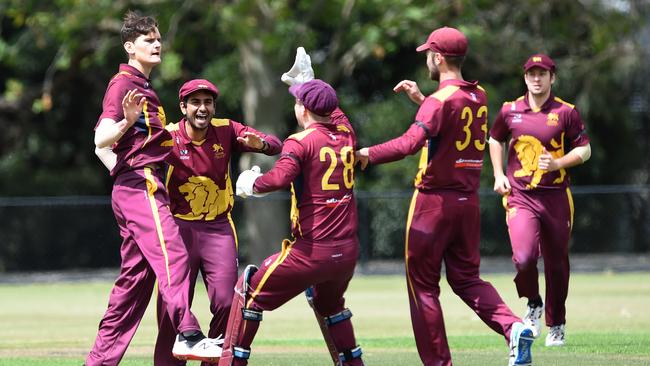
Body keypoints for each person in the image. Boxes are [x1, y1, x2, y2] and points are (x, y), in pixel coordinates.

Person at [355, 26, 534, 366]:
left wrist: (367, 153)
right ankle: (513, 328)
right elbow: (452, 125)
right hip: (468, 203)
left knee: (422, 286)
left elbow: (409, 144)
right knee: (467, 278)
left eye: (427, 55)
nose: (426, 60)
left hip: (432, 204)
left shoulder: (439, 102)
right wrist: (423, 101)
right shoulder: (477, 96)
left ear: (438, 57)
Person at [87, 11, 221, 365]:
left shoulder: (143, 86)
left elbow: (111, 149)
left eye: (158, 37)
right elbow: (101, 138)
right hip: (141, 185)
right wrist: (127, 127)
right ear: (130, 47)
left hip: (135, 184)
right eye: (148, 39)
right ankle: (189, 334)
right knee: (173, 255)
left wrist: (119, 168)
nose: (157, 43)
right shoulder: (124, 84)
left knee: (133, 287)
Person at [217, 78, 364, 366]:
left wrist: (252, 184)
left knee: (248, 292)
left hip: (311, 252)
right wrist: (309, 81)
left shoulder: (299, 141)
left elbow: (280, 178)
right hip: (347, 252)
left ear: (304, 110)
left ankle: (230, 363)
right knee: (330, 305)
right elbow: (338, 114)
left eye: (298, 101)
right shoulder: (347, 134)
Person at [154, 78, 282, 366]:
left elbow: (276, 145)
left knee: (227, 302)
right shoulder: (169, 136)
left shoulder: (227, 129)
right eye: (196, 102)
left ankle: (213, 360)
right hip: (178, 231)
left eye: (208, 102)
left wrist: (259, 143)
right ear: (183, 107)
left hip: (218, 229)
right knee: (172, 310)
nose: (202, 108)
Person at [488, 53, 591, 347]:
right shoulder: (510, 110)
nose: (536, 78)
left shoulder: (566, 111)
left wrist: (558, 164)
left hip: (557, 197)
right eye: (531, 73)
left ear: (552, 78)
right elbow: (495, 139)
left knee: (557, 265)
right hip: (520, 196)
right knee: (523, 258)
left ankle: (556, 323)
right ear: (525, 78)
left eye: (542, 73)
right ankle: (533, 303)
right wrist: (498, 174)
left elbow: (585, 150)